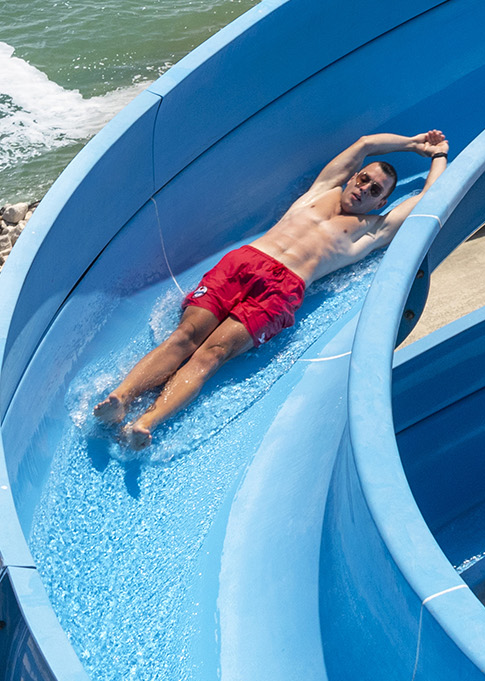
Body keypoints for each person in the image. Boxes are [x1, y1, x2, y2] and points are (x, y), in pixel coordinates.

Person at [93, 127, 448, 447]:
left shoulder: (373, 229)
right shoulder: (321, 192)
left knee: (211, 354)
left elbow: (430, 197)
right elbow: (366, 144)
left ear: (382, 202)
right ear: (354, 177)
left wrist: (439, 157)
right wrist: (413, 144)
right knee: (185, 336)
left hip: (282, 290)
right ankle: (121, 399)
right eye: (363, 179)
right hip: (243, 263)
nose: (364, 189)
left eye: (375, 190)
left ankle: (147, 422)